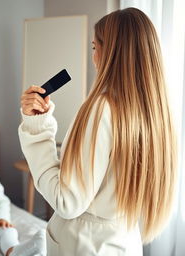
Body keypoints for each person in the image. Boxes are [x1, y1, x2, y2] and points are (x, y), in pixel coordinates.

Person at [18, 7, 177, 256]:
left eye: (95, 47)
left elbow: (68, 202)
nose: (94, 57)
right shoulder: (155, 112)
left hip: (85, 245)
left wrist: (37, 131)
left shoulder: (102, 109)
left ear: (111, 51)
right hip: (123, 242)